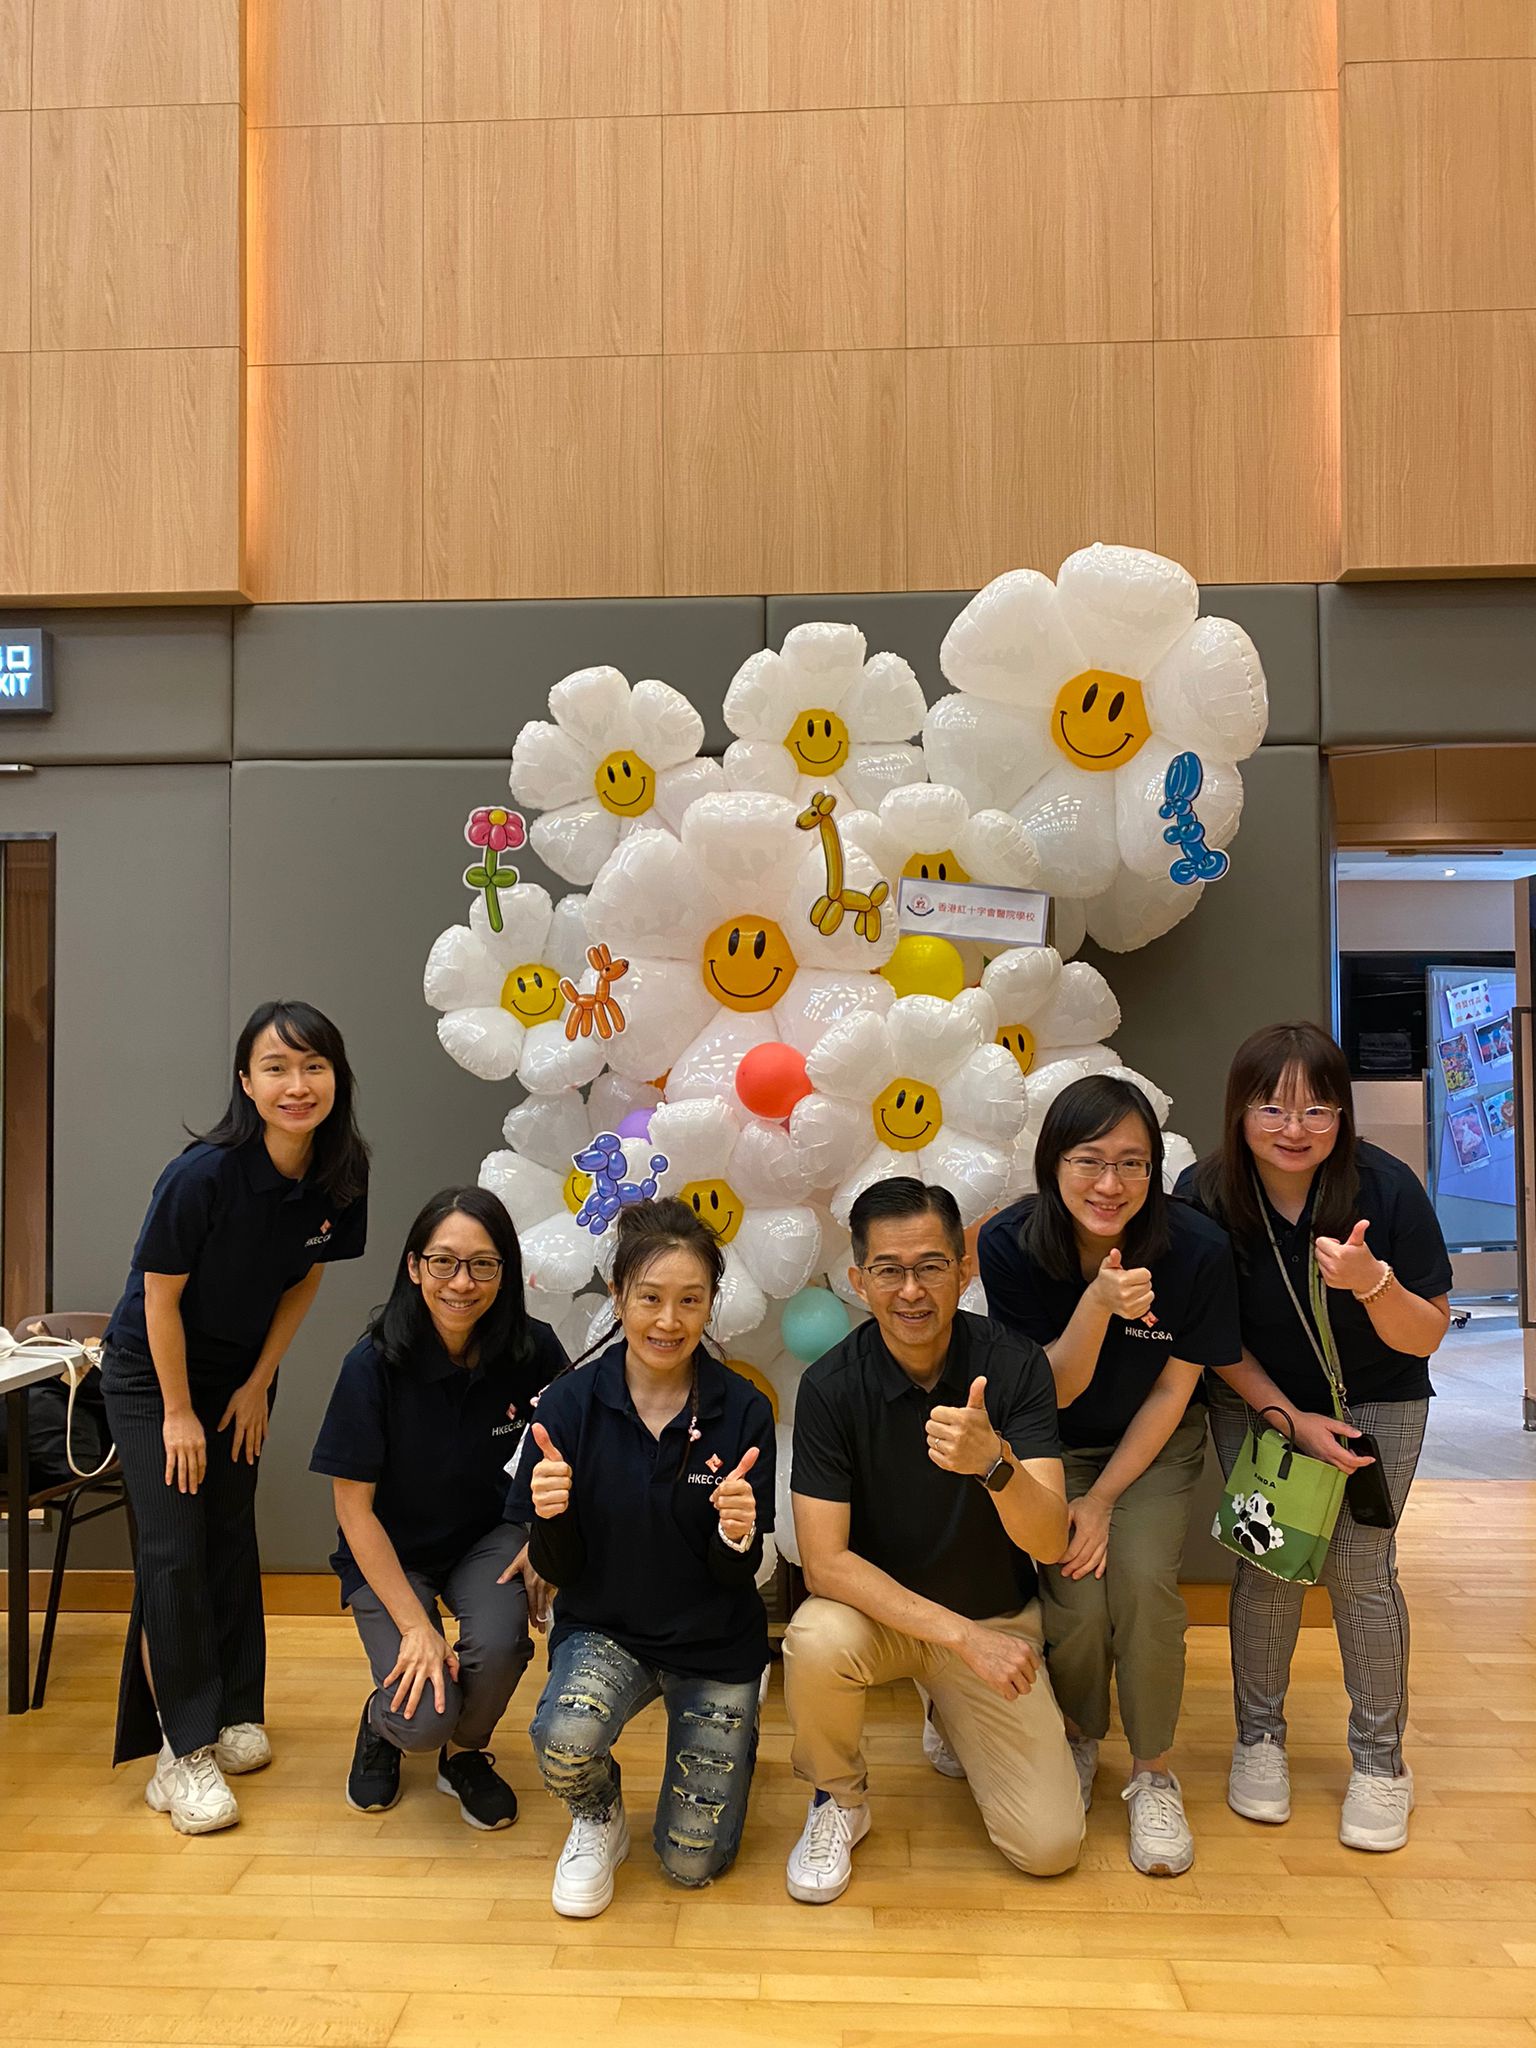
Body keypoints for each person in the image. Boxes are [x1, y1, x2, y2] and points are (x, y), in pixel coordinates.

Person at [1178, 1021, 1452, 1854]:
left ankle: (1381, 1763)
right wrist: (1288, 1418)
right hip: (1259, 1402)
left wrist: (1373, 1283)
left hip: (1380, 1402)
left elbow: (1427, 1334)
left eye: (1316, 1110)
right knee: (1268, 1567)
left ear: (1342, 1114)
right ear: (1240, 1110)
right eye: (1272, 1108)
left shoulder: (1387, 1188)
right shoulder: (1204, 1193)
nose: (1294, 1129)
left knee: (1361, 1572)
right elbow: (1213, 1338)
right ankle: (1259, 1740)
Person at [100, 1001, 369, 1834]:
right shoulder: (202, 1175)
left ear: (336, 1078)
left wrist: (259, 1382)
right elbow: (159, 1299)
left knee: (227, 1533)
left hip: (240, 1377)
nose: (297, 1084)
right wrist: (179, 1411)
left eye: (313, 1066)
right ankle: (180, 1753)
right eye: (276, 1068)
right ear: (247, 1083)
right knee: (173, 1550)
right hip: (154, 1374)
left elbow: (307, 1276)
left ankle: (231, 1712)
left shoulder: (340, 1169)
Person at [782, 1176, 1082, 1905]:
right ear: (858, 1281)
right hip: (885, 1621)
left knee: (1050, 1848)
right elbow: (824, 1564)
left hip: (993, 1616)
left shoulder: (1015, 1365)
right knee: (814, 1638)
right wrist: (959, 1639)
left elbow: (1049, 1542)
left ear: (963, 1270)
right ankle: (838, 1798)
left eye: (931, 1267)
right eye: (888, 1270)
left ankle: (949, 1708)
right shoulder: (830, 1387)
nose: (911, 1291)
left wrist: (995, 1464)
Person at [978, 1075, 1242, 1877]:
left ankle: (1153, 1773)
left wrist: (1101, 1500)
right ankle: (1080, 1735)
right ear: (1053, 1164)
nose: (1110, 1183)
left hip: (1149, 1444)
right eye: (1089, 1160)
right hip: (1050, 1440)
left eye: (1132, 1163)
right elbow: (1050, 1392)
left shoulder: (1197, 1248)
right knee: (1077, 1597)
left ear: (1155, 1169)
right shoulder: (1011, 1243)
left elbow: (1172, 1390)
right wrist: (1097, 1303)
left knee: (1142, 1584)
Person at [507, 1197, 775, 1918]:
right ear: (618, 1295)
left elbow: (735, 1577)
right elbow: (560, 1570)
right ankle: (599, 1816)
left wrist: (737, 1535)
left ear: (711, 1303)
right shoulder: (568, 1405)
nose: (668, 1321)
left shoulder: (743, 1409)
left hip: (714, 1645)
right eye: (650, 1297)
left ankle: (737, 1735)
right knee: (564, 1739)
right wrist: (549, 1516)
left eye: (690, 1300)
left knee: (691, 1863)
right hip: (608, 1630)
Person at [310, 1187, 566, 1830]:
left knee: (503, 1643)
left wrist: (543, 1540)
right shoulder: (371, 1365)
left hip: (489, 1538)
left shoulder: (533, 1349)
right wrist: (417, 1629)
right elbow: (354, 1511)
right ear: (414, 1266)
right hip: (390, 1551)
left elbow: (571, 1455)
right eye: (444, 1261)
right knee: (423, 1718)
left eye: (483, 1264)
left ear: (505, 1272)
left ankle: (466, 1754)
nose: (462, 1282)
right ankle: (382, 1725)